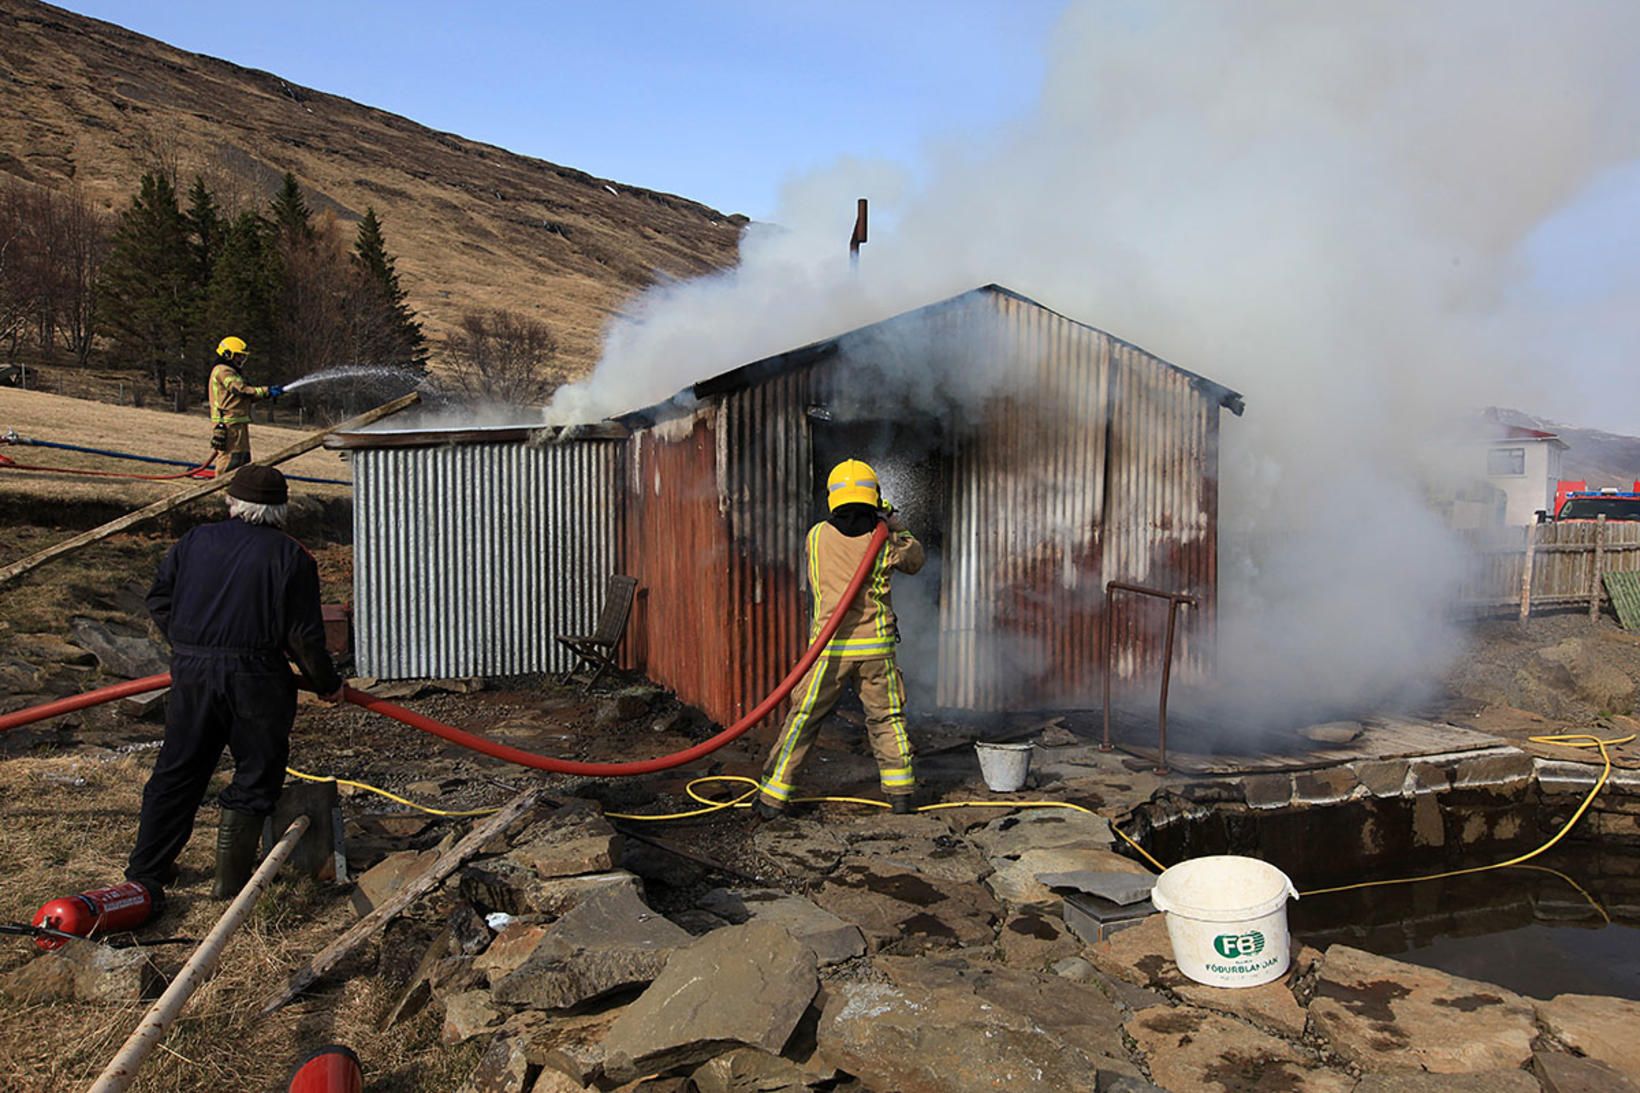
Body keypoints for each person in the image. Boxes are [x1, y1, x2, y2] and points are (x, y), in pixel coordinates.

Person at [125, 465, 343, 903]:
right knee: (256, 774)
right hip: (257, 678)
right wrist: (327, 683)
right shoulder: (291, 556)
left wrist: (189, 641)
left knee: (178, 770)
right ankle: (230, 887)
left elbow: (159, 598)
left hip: (192, 674)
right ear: (280, 510)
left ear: (232, 503)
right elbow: (303, 635)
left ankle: (147, 871)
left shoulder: (195, 541)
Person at [755, 459, 925, 818]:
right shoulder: (885, 540)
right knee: (886, 718)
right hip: (876, 649)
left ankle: (773, 796)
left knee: (804, 716)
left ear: (833, 497)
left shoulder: (816, 535)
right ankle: (901, 794)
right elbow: (915, 559)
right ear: (873, 495)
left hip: (829, 648)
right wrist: (894, 524)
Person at [208, 336, 284, 474]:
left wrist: (268, 394)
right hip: (228, 423)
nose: (241, 360)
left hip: (237, 421)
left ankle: (235, 487)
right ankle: (220, 488)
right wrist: (265, 390)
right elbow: (240, 390)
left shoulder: (233, 372)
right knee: (230, 459)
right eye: (238, 356)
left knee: (242, 459)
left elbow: (245, 397)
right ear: (227, 354)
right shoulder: (223, 371)